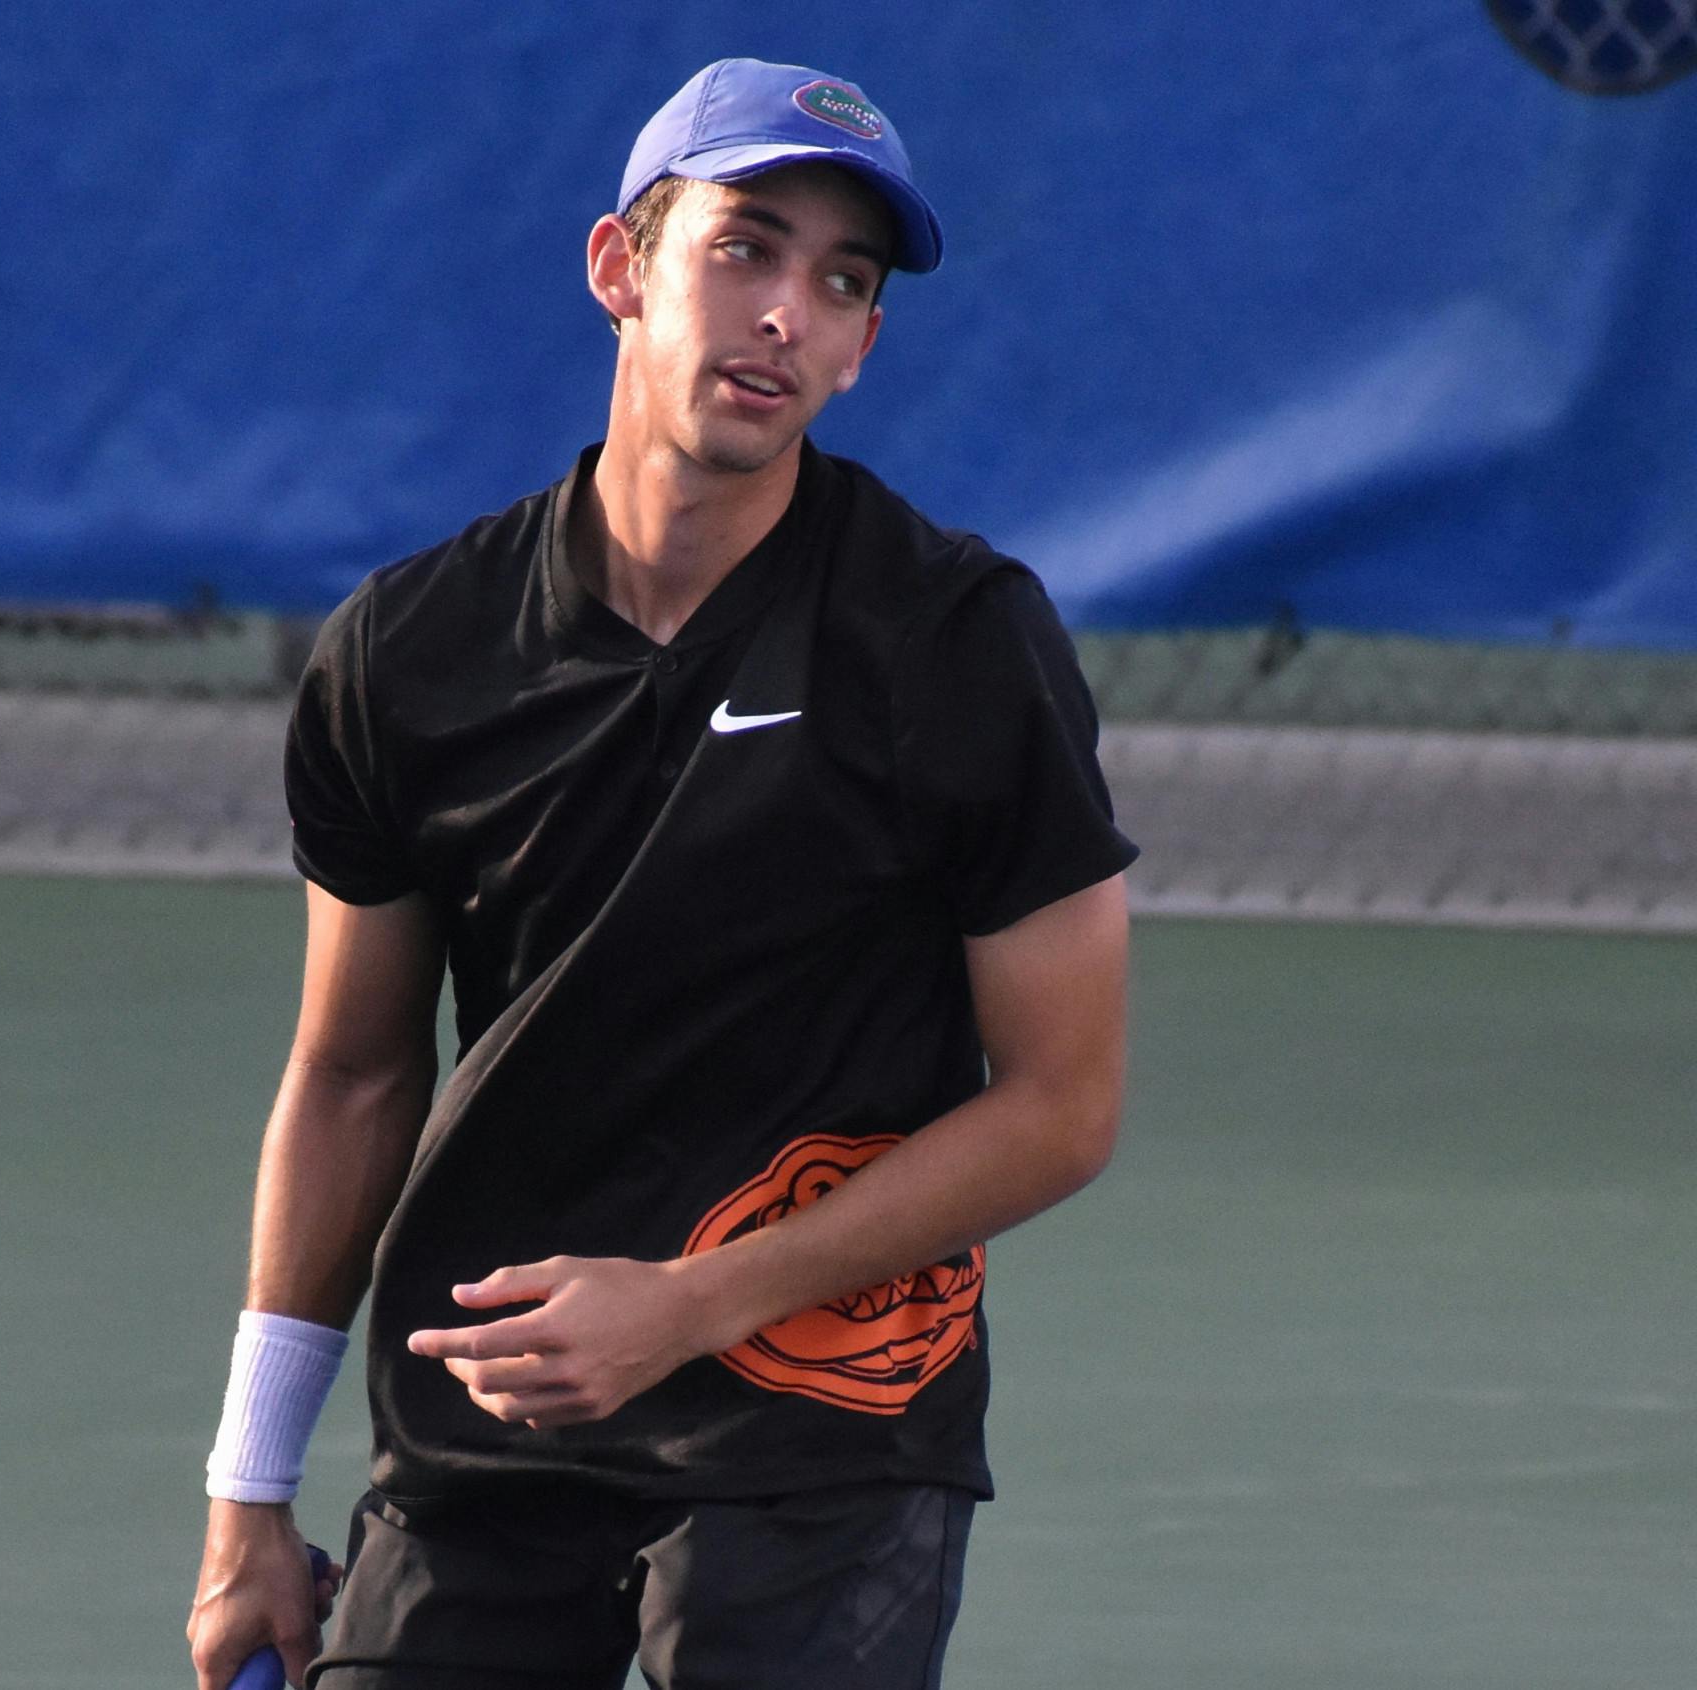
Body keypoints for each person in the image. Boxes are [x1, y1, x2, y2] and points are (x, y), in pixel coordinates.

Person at [188, 56, 1137, 1690]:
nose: (788, 312)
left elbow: (1061, 1102)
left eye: (842, 283)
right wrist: (247, 1496)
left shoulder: (955, 643)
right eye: (746, 247)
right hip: (492, 1423)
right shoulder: (409, 654)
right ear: (622, 267)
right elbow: (351, 1074)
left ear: (863, 348)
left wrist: (693, 1302)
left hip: (826, 1433)